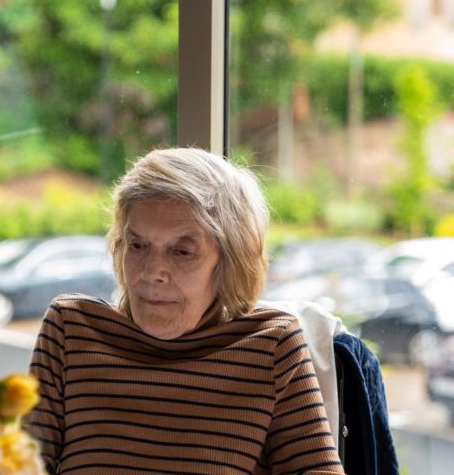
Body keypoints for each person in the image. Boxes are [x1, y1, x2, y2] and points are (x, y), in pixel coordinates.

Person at [24, 147, 345, 474]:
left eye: (182, 251)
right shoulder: (71, 330)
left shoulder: (271, 345)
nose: (152, 272)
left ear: (229, 262)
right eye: (138, 245)